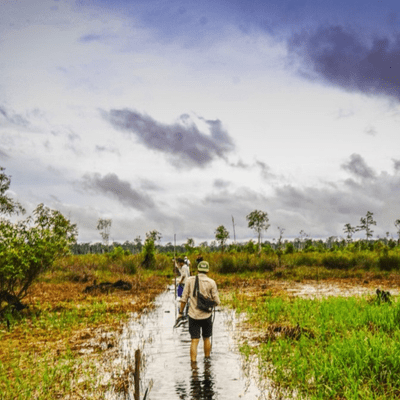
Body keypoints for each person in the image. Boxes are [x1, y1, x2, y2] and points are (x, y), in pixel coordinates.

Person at [178, 261, 220, 362]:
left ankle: (193, 365)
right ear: (208, 271)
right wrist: (208, 304)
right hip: (206, 316)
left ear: (197, 270)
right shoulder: (211, 282)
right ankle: (207, 360)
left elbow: (184, 299)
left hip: (193, 316)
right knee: (206, 338)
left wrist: (180, 313)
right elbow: (217, 301)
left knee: (194, 340)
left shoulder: (189, 280)